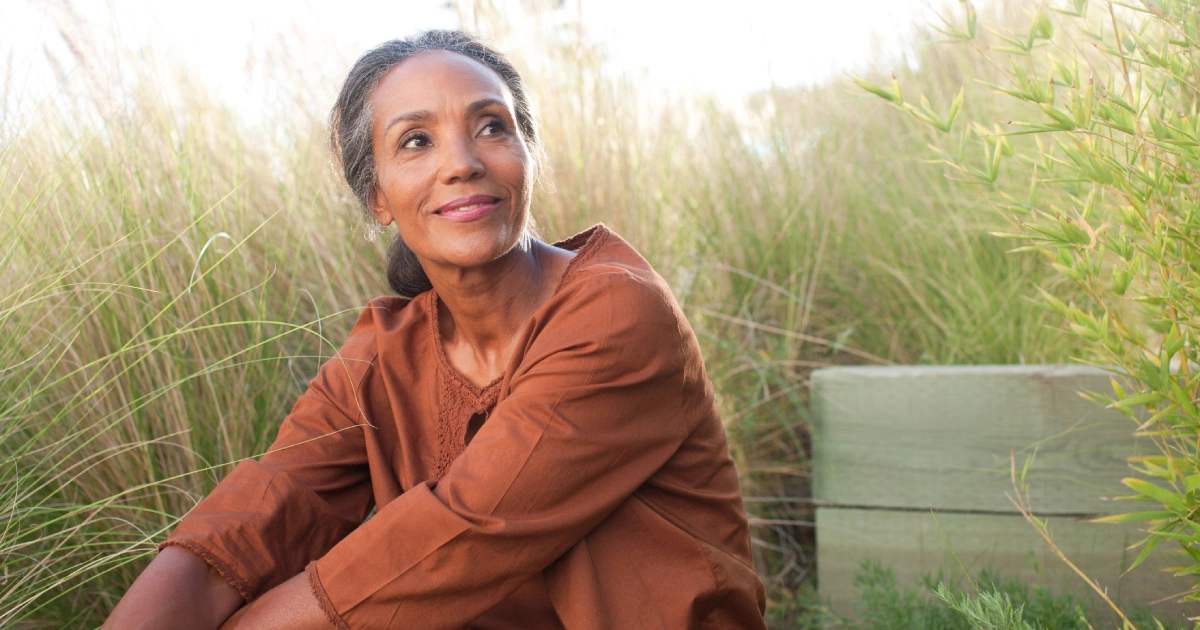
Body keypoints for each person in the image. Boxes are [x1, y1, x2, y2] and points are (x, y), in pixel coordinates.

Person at [103, 30, 767, 630]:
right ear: (378, 199)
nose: (462, 163)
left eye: (491, 127)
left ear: (526, 157)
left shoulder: (615, 312)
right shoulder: (384, 356)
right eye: (416, 141)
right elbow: (263, 511)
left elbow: (470, 527)